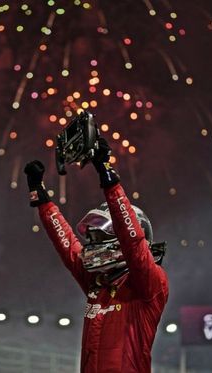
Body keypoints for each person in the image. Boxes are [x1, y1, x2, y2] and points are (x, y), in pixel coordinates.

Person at [24, 135, 169, 373]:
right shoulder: (98, 283)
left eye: (100, 237)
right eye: (92, 238)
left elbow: (132, 242)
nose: (92, 244)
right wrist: (41, 199)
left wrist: (108, 177)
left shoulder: (149, 283)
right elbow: (68, 245)